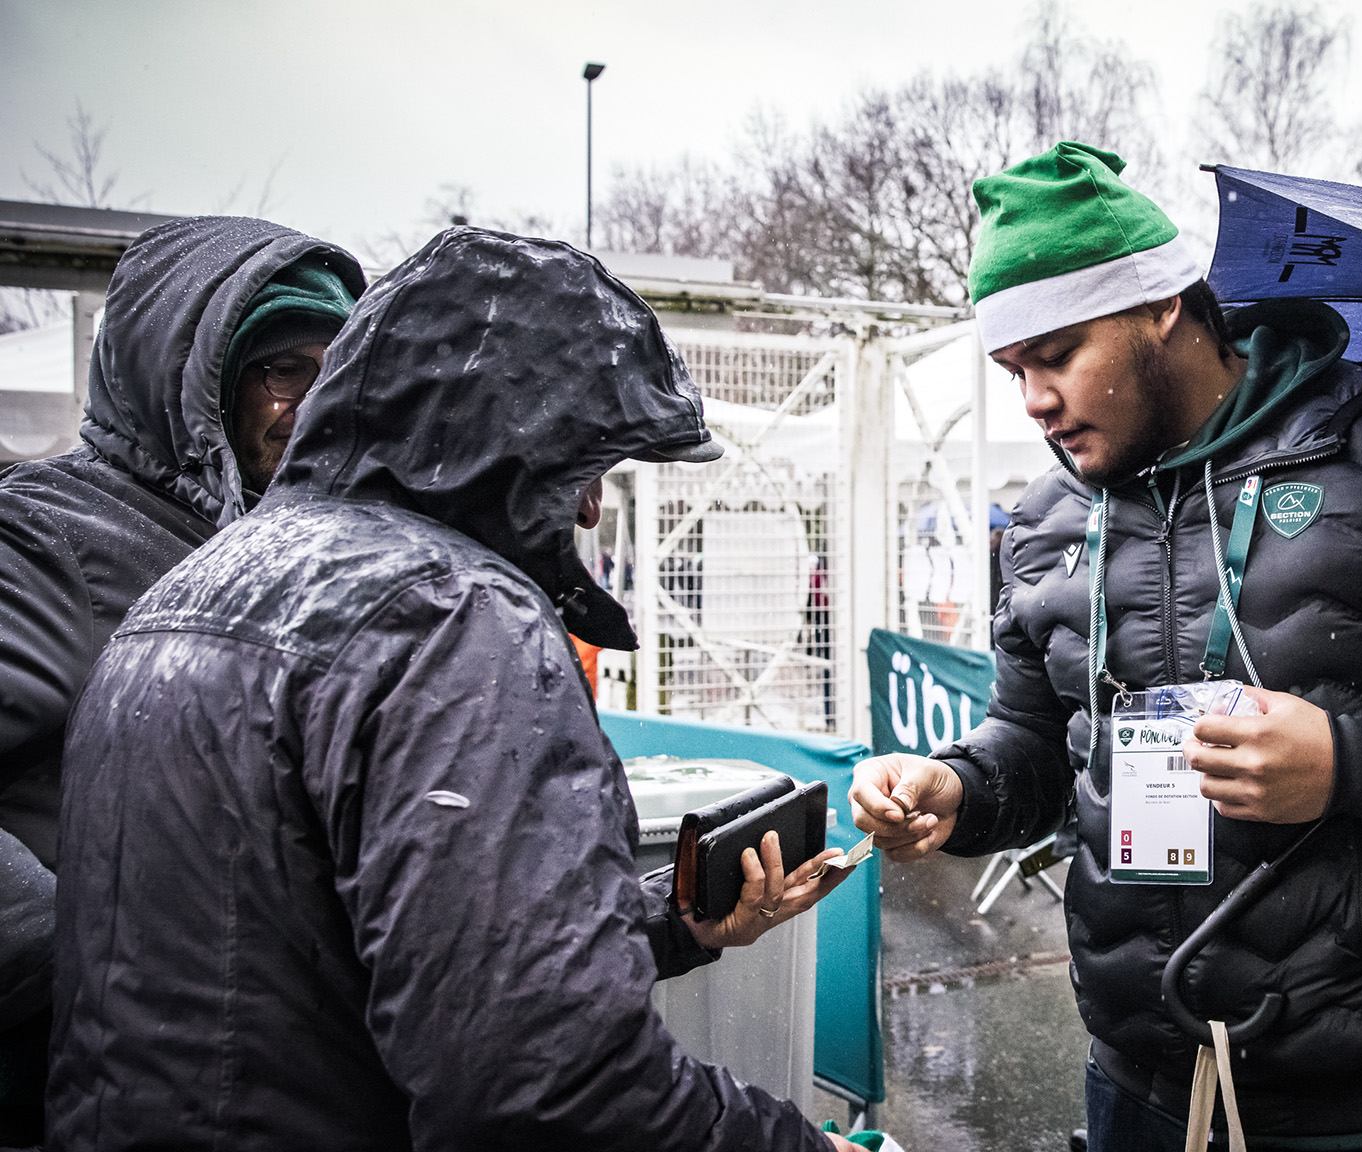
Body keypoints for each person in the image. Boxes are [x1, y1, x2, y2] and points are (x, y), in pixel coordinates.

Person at [851, 142, 1362, 1150]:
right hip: (1136, 1086)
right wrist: (955, 790)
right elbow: (1034, 749)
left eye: (1056, 355)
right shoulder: (1047, 520)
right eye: (1012, 369)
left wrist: (1352, 763)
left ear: (1161, 308)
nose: (1032, 400)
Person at [49, 228, 861, 1152]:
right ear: (507, 440)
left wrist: (673, 919)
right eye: (583, 463)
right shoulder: (452, 619)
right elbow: (551, 1093)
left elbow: (340, 951)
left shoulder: (191, 588)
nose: (593, 507)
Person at [0, 216, 361, 1143]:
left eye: (337, 373)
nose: (312, 404)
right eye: (285, 370)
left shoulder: (273, 549)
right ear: (192, 376)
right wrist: (90, 958)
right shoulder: (47, 542)